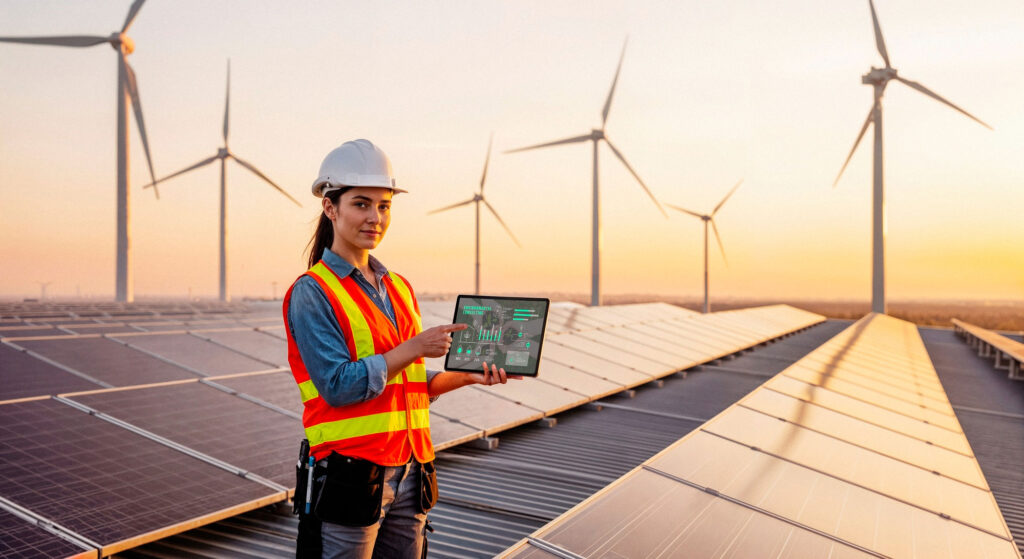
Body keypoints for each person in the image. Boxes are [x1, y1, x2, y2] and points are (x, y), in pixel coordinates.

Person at [283, 139, 517, 559]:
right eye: (361, 204)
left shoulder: (398, 287)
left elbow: (405, 382)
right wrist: (414, 347)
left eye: (384, 206)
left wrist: (464, 376)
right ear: (330, 208)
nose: (375, 217)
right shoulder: (312, 292)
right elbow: (338, 386)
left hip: (412, 471)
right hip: (353, 475)